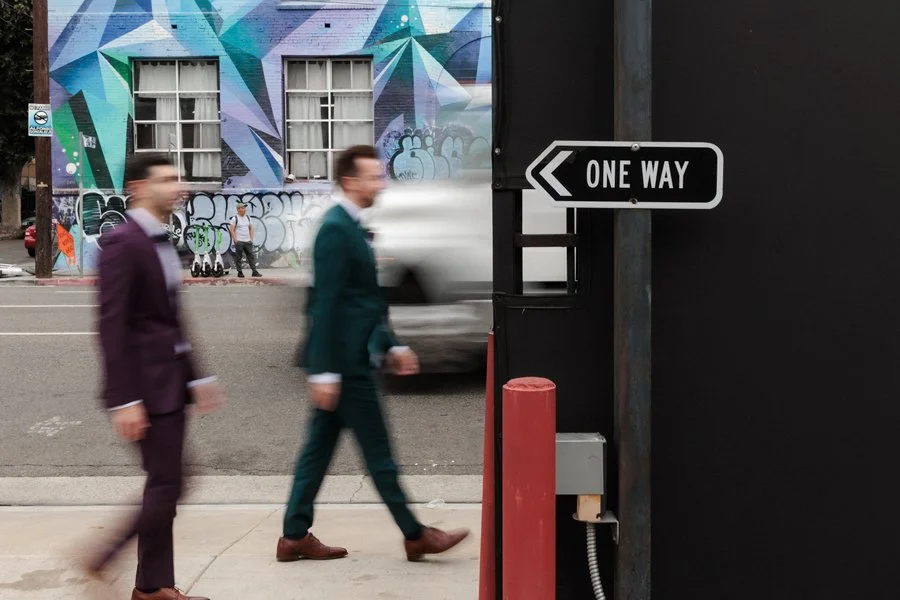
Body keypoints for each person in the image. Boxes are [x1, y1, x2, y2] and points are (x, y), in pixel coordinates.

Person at [278, 145, 470, 563]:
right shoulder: (336, 229)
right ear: (351, 181)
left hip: (348, 360)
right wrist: (323, 372)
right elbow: (324, 304)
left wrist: (392, 344)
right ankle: (415, 534)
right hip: (346, 366)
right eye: (374, 176)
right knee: (379, 455)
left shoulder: (352, 226)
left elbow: (363, 301)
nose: (381, 183)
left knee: (317, 451)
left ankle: (293, 536)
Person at [85, 152, 224, 600]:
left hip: (170, 382)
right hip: (144, 388)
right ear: (139, 188)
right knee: (170, 483)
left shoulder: (160, 240)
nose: (178, 187)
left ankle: (152, 585)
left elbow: (170, 319)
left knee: (165, 484)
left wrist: (196, 377)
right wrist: (124, 400)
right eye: (167, 180)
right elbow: (111, 325)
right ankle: (106, 557)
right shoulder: (124, 243)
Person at [229, 202, 261, 278]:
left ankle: (254, 271)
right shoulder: (234, 219)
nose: (244, 209)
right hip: (239, 241)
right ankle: (239, 272)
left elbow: (251, 228)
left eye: (244, 208)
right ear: (238, 209)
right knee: (238, 257)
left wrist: (251, 239)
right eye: (243, 208)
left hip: (248, 241)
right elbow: (232, 230)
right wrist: (236, 240)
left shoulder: (248, 218)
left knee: (251, 257)